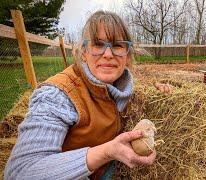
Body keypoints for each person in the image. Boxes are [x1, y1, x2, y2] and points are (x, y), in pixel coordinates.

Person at [4, 10, 171, 179]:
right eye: (98, 44)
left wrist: (157, 86)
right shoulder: (57, 96)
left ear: (127, 55)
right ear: (84, 52)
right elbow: (20, 172)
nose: (108, 54)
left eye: (117, 45)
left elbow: (135, 86)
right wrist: (107, 152)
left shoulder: (119, 84)